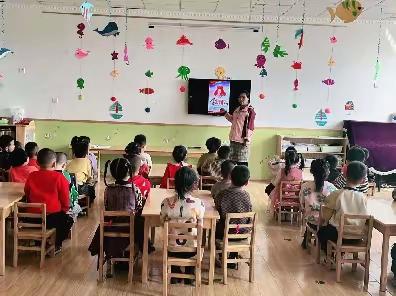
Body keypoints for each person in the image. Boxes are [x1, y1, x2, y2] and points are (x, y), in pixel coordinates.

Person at [88, 158, 143, 268]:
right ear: (129, 172)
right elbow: (139, 207)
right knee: (141, 224)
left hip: (111, 227)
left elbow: (107, 207)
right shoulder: (134, 189)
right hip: (129, 228)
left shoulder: (108, 190)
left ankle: (112, 256)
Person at [160, 166, 205, 284]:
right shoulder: (199, 204)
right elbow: (201, 220)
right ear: (193, 185)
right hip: (192, 249)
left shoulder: (166, 202)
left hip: (172, 248)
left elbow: (162, 221)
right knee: (198, 235)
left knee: (172, 235)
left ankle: (175, 272)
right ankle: (190, 272)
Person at [24, 148, 74, 253]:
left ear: (37, 162)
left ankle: (39, 242)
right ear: (54, 163)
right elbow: (65, 199)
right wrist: (64, 210)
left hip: (32, 217)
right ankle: (55, 244)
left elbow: (27, 193)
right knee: (68, 220)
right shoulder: (59, 178)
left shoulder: (31, 176)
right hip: (52, 218)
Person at [318, 161, 368, 252]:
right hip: (357, 236)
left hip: (338, 234)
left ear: (344, 175)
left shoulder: (337, 194)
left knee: (321, 232)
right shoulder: (364, 197)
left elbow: (325, 216)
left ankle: (329, 254)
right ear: (363, 180)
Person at [215, 165, 252, 268]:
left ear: (230, 177)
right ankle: (233, 256)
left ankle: (222, 256)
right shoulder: (246, 196)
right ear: (247, 182)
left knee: (215, 228)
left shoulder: (222, 194)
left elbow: (217, 211)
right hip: (242, 232)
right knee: (238, 225)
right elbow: (249, 212)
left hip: (225, 232)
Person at [300, 159, 337, 249]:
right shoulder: (332, 188)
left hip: (310, 219)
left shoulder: (305, 186)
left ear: (312, 171)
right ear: (327, 172)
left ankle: (306, 237)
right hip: (326, 222)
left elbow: (302, 204)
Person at [222, 91, 256, 167]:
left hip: (242, 141)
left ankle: (243, 179)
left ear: (248, 98)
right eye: (240, 97)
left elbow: (250, 126)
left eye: (243, 97)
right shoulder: (237, 109)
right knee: (232, 162)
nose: (241, 99)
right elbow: (233, 120)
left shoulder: (250, 111)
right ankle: (233, 178)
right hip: (233, 139)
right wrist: (225, 114)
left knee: (242, 162)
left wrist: (247, 139)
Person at [55, 152, 81, 221]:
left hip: (52, 206)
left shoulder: (49, 174)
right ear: (64, 165)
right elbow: (73, 193)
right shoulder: (67, 175)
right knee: (76, 208)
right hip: (64, 207)